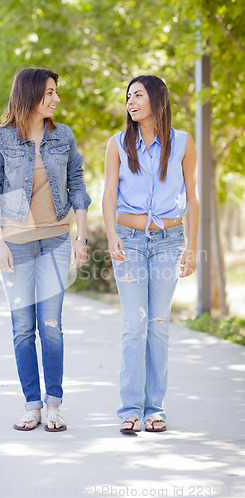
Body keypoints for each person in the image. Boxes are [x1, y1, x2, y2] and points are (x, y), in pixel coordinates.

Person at [0, 67, 91, 432]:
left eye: (56, 92)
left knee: (51, 325)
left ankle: (54, 405)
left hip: (57, 241)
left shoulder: (64, 136)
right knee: (23, 328)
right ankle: (32, 405)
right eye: (49, 93)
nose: (56, 99)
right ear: (29, 95)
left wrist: (81, 237)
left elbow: (77, 184)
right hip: (15, 243)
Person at [102, 75, 199, 434]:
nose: (130, 101)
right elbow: (109, 193)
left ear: (157, 99)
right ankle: (129, 409)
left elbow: (193, 196)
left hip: (169, 241)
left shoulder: (184, 143)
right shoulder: (116, 144)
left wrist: (191, 246)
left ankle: (154, 409)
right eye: (128, 96)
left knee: (158, 325)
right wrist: (111, 235)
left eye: (138, 95)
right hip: (128, 240)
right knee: (134, 325)